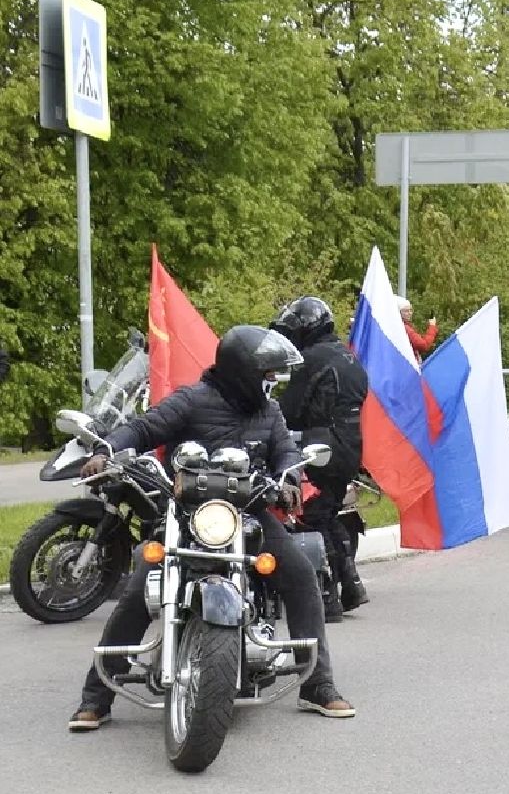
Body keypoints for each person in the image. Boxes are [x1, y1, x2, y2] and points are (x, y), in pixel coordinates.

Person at [67, 325, 355, 732]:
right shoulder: (192, 400)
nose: (271, 383)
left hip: (250, 513)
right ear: (242, 372)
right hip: (188, 516)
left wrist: (289, 479)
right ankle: (97, 695)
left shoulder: (268, 412)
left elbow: (285, 451)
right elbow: (145, 427)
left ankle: (317, 684)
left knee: (301, 574)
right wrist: (106, 450)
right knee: (140, 587)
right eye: (266, 374)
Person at [271, 296, 370, 622]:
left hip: (323, 447)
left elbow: (291, 411)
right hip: (350, 447)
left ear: (306, 328)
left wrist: (267, 418)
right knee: (328, 515)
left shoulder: (312, 359)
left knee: (312, 516)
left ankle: (327, 600)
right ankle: (352, 585)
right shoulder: (347, 356)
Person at [397, 296, 437, 363]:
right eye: (406, 311)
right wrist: (432, 327)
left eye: (410, 310)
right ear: (398, 312)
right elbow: (424, 345)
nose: (410, 313)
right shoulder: (405, 328)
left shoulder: (400, 326)